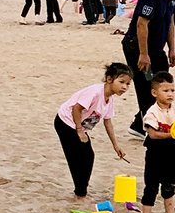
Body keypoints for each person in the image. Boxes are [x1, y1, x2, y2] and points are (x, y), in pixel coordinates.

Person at [122, 0, 175, 135]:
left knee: (162, 84)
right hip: (137, 46)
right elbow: (142, 23)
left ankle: (137, 123)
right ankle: (149, 129)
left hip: (157, 48)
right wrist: (143, 53)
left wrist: (172, 49)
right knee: (146, 87)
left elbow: (170, 22)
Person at [53, 62, 132, 199]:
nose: (124, 87)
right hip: (65, 122)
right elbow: (76, 108)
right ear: (109, 79)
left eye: (128, 84)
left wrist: (116, 146)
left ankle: (81, 189)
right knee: (76, 157)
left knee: (89, 156)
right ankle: (80, 192)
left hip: (79, 126)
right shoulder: (95, 92)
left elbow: (108, 122)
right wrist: (79, 130)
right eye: (121, 82)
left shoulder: (110, 99)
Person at [141, 72, 175, 213]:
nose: (170, 94)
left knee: (170, 187)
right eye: (165, 91)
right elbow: (153, 134)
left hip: (172, 153)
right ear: (154, 93)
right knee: (151, 186)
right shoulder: (152, 112)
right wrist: (171, 134)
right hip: (155, 153)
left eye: (172, 90)